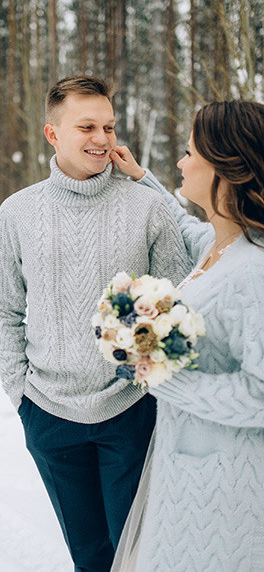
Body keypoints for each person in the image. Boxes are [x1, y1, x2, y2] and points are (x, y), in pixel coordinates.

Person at [0, 75, 192, 571]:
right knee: (91, 557)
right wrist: (22, 398)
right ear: (52, 133)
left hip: (130, 410)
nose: (102, 139)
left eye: (109, 126)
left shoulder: (145, 207)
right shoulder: (17, 213)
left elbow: (180, 299)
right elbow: (3, 309)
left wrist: (150, 384)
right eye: (87, 127)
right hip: (49, 413)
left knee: (137, 553)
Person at [107, 101, 264, 570]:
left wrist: (155, 370)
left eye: (191, 152)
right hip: (186, 476)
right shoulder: (221, 247)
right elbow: (182, 225)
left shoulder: (254, 271)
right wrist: (141, 178)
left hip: (226, 496)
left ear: (227, 168)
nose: (181, 161)